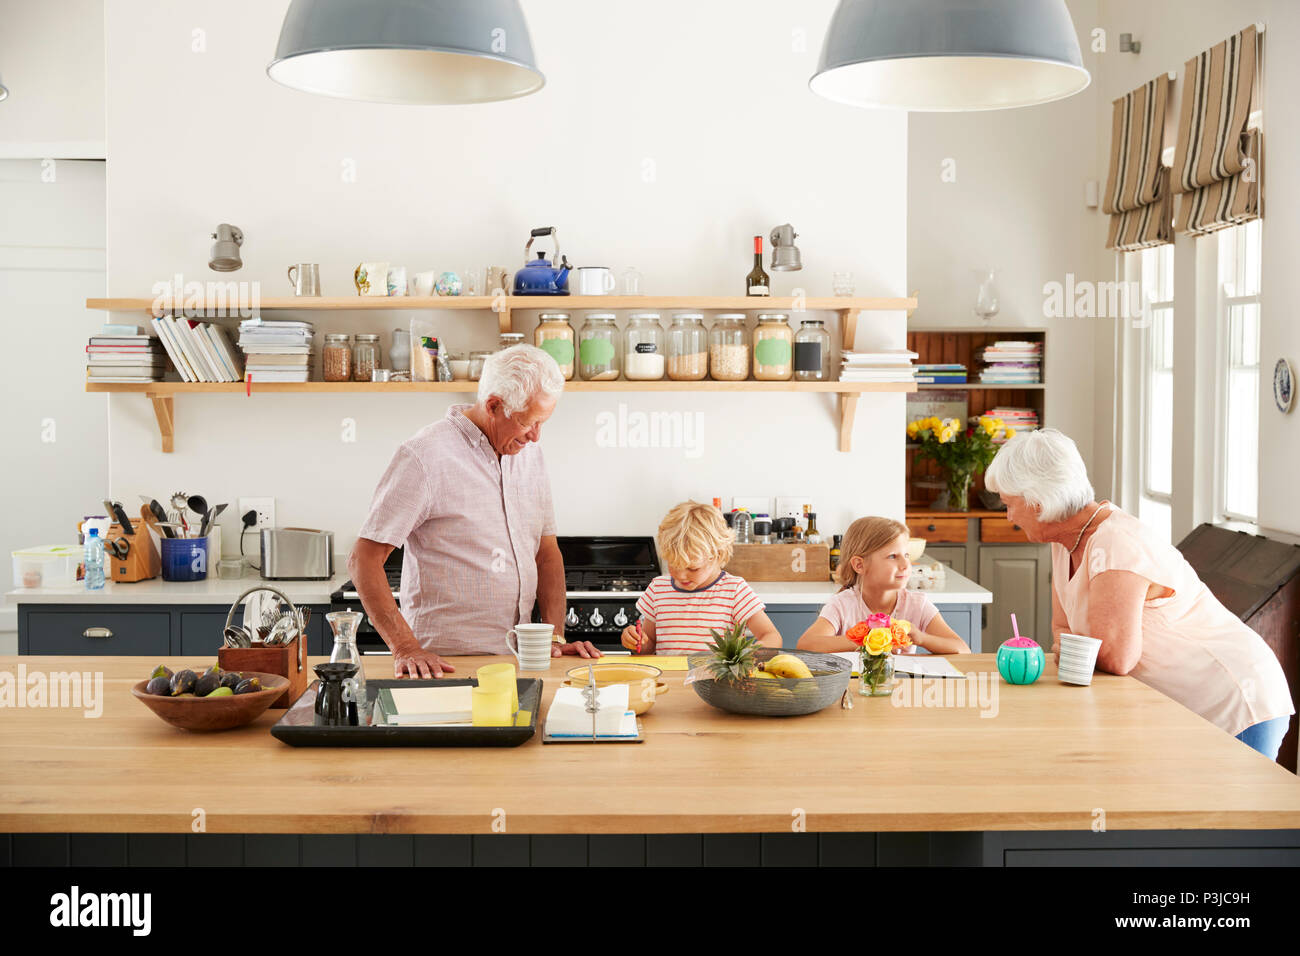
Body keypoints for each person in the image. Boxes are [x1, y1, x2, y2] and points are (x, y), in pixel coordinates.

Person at [985, 428, 1294, 760]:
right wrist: (1082, 650)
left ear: (1038, 501)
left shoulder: (1115, 542)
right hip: (1182, 703)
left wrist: (1082, 651)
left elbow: (1116, 658)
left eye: (1010, 504)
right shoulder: (1064, 543)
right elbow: (1064, 634)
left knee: (1233, 811)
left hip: (1231, 696)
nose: (1009, 517)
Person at [349, 345, 600, 678]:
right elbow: (363, 559)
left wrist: (552, 637)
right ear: (494, 405)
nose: (536, 437)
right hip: (444, 664)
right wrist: (405, 647)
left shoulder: (529, 455)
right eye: (529, 423)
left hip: (518, 661)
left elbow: (546, 554)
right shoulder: (425, 456)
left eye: (543, 422)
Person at [621, 501, 782, 655]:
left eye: (693, 568)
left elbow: (772, 637)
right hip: (669, 681)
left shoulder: (734, 590)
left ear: (717, 555)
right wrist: (637, 642)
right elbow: (649, 647)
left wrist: (749, 654)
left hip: (717, 681)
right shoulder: (658, 589)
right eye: (674, 565)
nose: (681, 575)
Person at [796, 516, 969, 654]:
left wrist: (921, 638)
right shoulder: (843, 604)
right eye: (893, 556)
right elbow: (806, 644)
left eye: (906, 555)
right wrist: (866, 640)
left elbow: (962, 649)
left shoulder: (917, 604)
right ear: (859, 565)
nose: (905, 564)